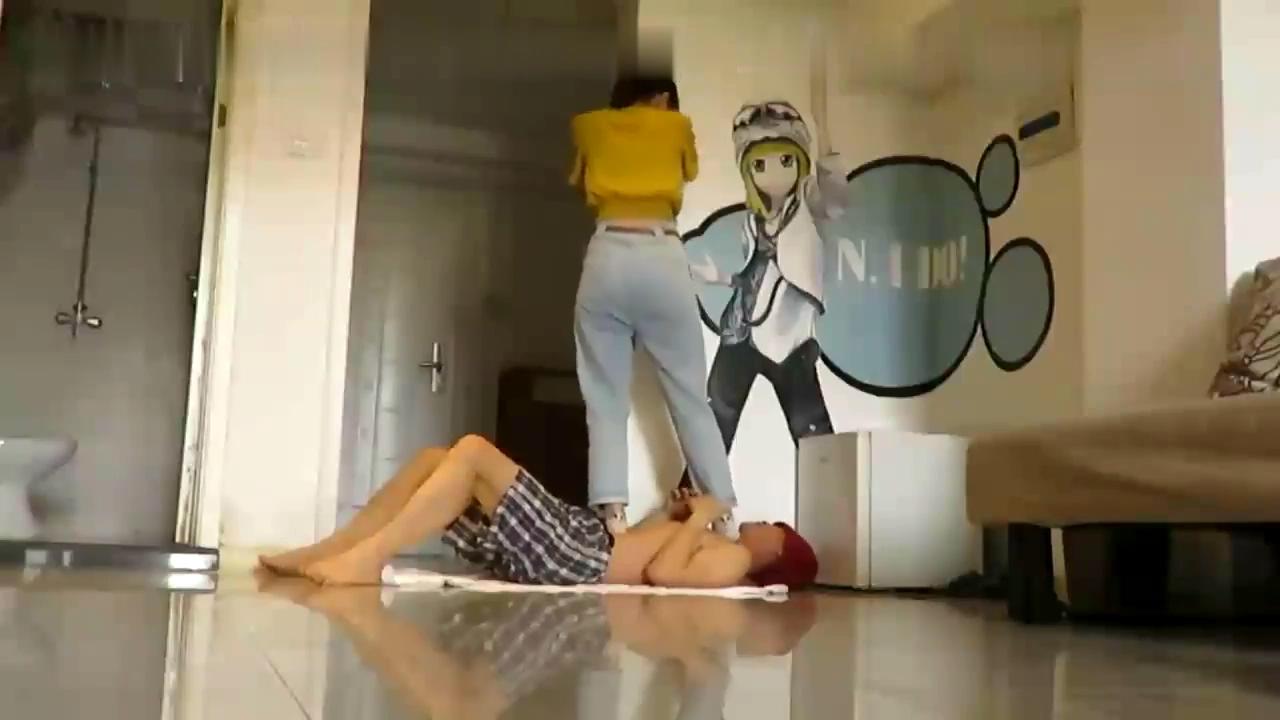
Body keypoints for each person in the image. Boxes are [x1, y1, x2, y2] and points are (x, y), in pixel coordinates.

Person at [258, 434, 817, 589]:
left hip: (579, 557)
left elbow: (663, 574)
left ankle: (368, 558)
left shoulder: (733, 563)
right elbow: (644, 546)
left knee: (473, 451)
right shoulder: (718, 545)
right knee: (435, 459)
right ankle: (330, 550)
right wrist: (674, 516)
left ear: (776, 550)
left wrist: (697, 520)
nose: (766, 523)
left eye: (776, 529)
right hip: (582, 537)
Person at [569, 73, 738, 536]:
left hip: (606, 253)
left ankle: (612, 515)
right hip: (660, 250)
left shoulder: (591, 128)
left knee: (604, 398)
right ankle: (722, 514)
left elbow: (579, 180)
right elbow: (690, 171)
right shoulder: (675, 127)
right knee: (690, 397)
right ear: (663, 98)